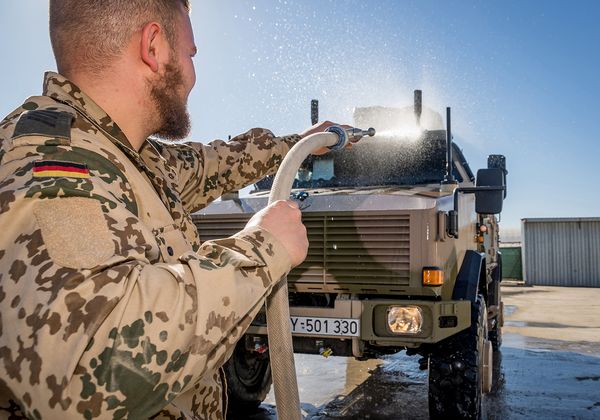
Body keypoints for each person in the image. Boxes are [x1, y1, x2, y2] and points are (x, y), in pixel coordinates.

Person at [0, 1, 341, 418]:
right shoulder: (52, 164)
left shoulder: (128, 154)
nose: (193, 75)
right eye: (190, 54)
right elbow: (90, 369)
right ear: (154, 46)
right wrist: (263, 250)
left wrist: (302, 143)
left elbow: (218, 162)